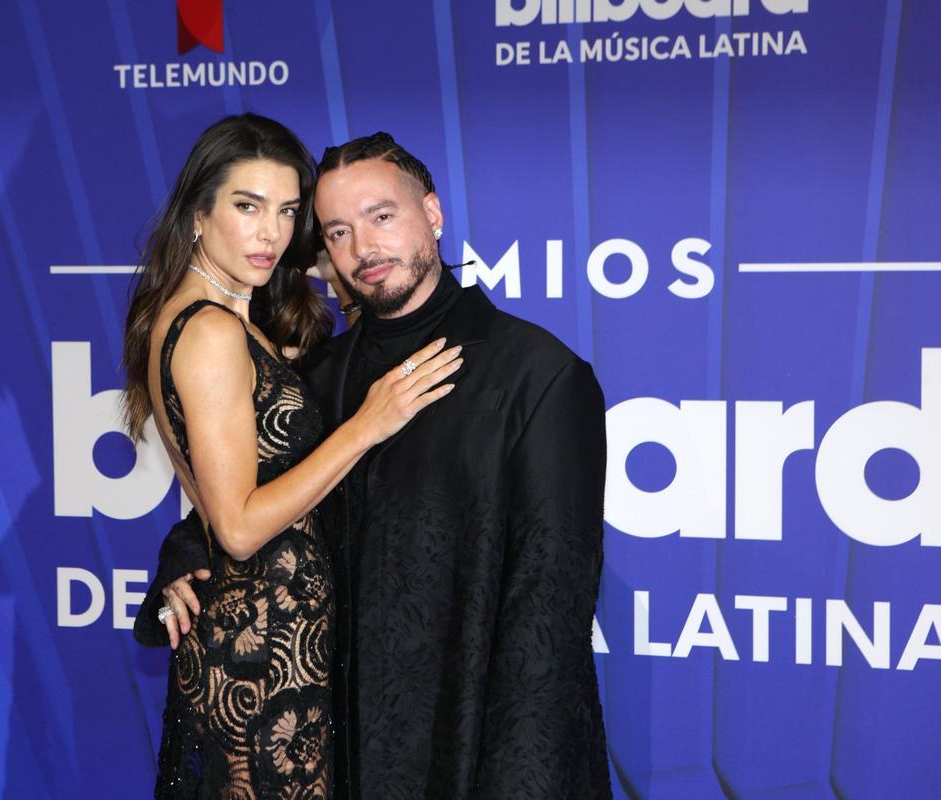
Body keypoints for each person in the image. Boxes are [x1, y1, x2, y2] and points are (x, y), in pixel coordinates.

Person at [140, 131, 612, 798]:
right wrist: (187, 548)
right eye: (336, 231)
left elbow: (547, 630)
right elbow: (258, 492)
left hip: (467, 758)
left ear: (434, 213)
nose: (363, 248)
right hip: (335, 748)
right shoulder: (325, 378)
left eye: (382, 217)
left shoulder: (538, 377)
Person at [121, 116, 463, 799]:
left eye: (285, 212)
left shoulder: (226, 319)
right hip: (261, 650)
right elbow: (241, 527)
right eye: (246, 207)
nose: (270, 234)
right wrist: (367, 425)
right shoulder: (211, 332)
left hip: (273, 637)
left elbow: (225, 497)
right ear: (199, 214)